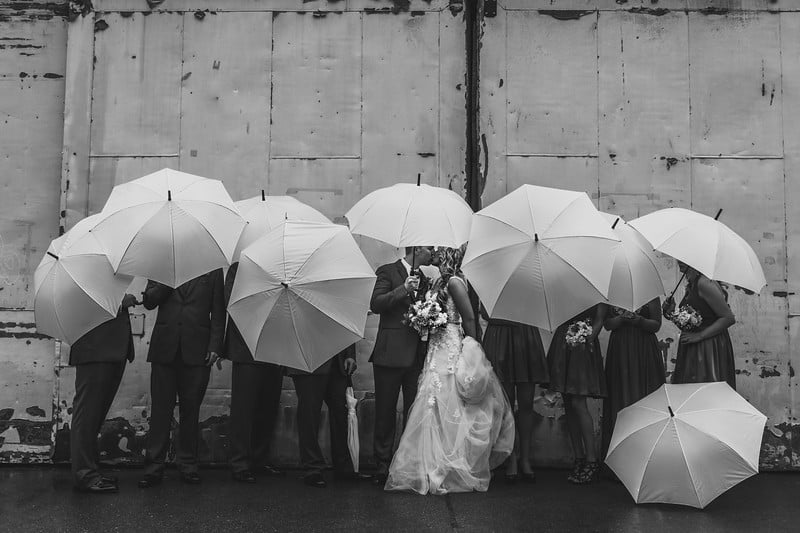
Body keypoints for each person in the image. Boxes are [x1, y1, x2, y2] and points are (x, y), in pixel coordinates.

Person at [385, 246, 515, 495]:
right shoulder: (435, 282)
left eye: (438, 250)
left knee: (448, 402)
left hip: (451, 346)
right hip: (435, 347)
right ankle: (430, 464)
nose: (433, 252)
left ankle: (450, 466)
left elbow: (468, 319)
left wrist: (472, 349)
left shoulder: (455, 282)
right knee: (431, 403)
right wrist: (422, 317)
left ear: (447, 255)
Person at [138, 270, 225, 488]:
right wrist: (169, 279)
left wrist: (215, 345)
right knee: (160, 411)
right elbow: (149, 302)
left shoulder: (213, 269)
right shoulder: (163, 262)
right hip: (165, 349)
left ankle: (188, 465)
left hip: (197, 350)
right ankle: (153, 467)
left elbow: (218, 310)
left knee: (191, 410)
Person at [369, 245, 434, 486]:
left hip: (416, 355)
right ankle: (382, 464)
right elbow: (376, 304)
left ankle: (407, 463)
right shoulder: (387, 271)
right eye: (429, 248)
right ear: (416, 249)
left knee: (413, 411)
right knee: (385, 411)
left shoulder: (426, 280)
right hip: (390, 354)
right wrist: (402, 289)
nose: (433, 252)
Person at [70, 293, 138, 493]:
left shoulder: (102, 266)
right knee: (87, 414)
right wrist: (119, 301)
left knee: (94, 416)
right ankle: (85, 475)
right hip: (95, 349)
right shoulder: (84, 265)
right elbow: (85, 301)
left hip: (110, 349)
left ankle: (91, 471)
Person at [223, 262, 284, 484]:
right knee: (243, 409)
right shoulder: (238, 268)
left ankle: (260, 460)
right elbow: (232, 303)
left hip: (274, 347)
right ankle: (239, 463)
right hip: (245, 348)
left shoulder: (281, 269)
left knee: (267, 408)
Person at [481, 313, 549, 483]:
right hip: (501, 339)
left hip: (526, 338)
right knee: (506, 404)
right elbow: (485, 313)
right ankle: (510, 457)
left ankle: (525, 458)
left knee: (526, 404)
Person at [547, 304, 607, 485]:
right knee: (568, 403)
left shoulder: (599, 287)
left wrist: (588, 338)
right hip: (562, 340)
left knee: (578, 403)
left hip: (582, 343)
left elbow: (600, 318)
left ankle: (591, 460)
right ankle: (578, 457)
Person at [289, 344, 362, 488]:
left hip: (337, 362)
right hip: (307, 362)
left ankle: (344, 467)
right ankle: (312, 468)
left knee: (342, 414)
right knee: (309, 416)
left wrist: (349, 354)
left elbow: (347, 321)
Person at [601, 299, 665, 458]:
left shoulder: (650, 295)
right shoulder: (612, 294)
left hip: (644, 350)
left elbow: (656, 325)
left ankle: (646, 456)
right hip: (620, 350)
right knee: (620, 395)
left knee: (644, 397)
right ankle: (620, 457)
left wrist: (640, 320)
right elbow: (608, 324)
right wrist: (622, 318)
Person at [663, 261, 736, 389]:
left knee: (705, 390)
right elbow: (692, 322)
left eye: (683, 259)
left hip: (708, 347)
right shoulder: (692, 284)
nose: (679, 262)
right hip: (694, 346)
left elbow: (728, 318)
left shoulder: (704, 283)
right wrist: (670, 313)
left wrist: (700, 336)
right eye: (679, 258)